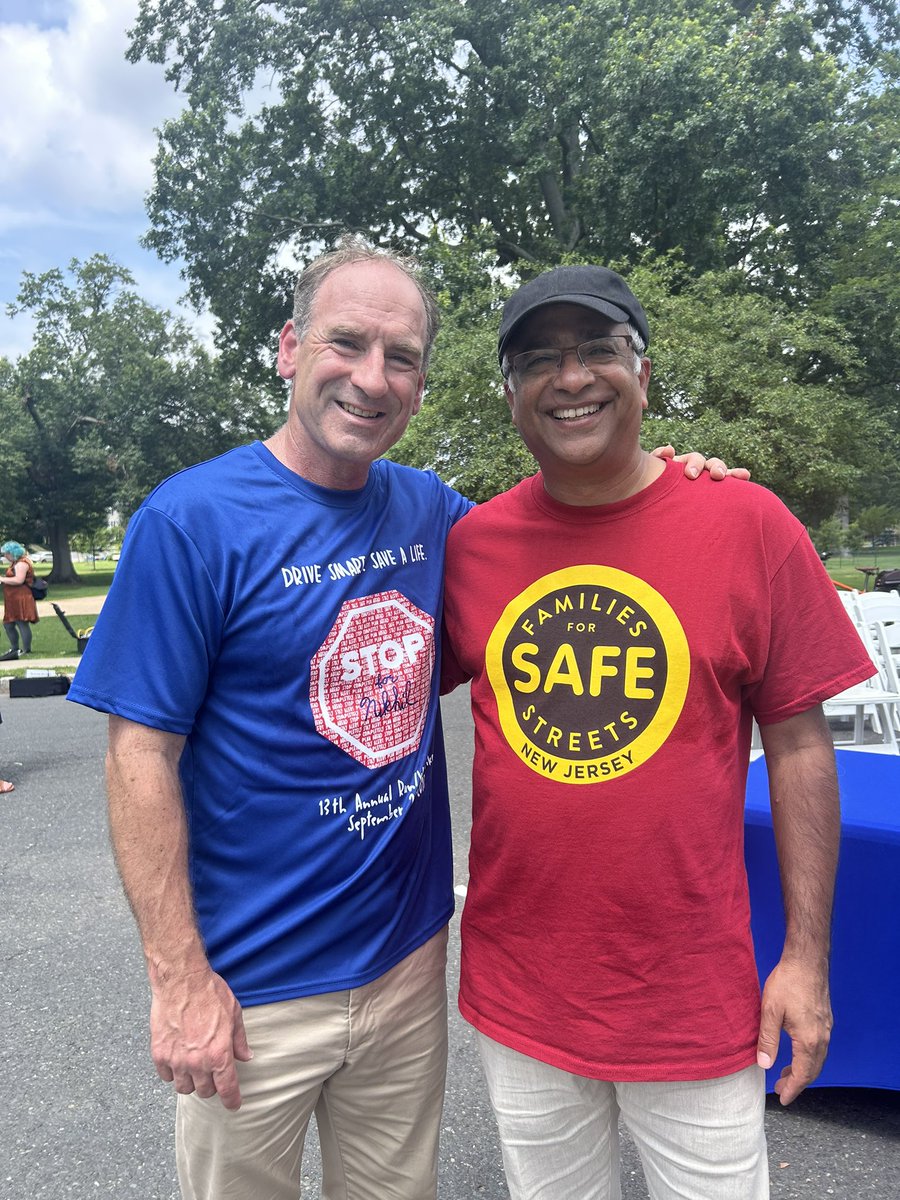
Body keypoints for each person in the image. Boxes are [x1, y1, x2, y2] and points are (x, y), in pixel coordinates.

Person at [67, 238, 737, 1200]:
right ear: (291, 347)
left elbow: (569, 536)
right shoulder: (191, 522)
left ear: (424, 383)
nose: (372, 378)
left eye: (403, 357)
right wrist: (178, 982)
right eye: (347, 343)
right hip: (251, 986)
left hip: (406, 963)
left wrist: (671, 476)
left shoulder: (436, 517)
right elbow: (138, 755)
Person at [441, 265, 876, 1200]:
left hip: (689, 996)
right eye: (539, 359)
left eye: (599, 350)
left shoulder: (747, 521)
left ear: (643, 371)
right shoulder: (472, 546)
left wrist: (806, 961)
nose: (571, 378)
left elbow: (801, 748)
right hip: (521, 991)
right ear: (510, 391)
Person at [1, 541, 39, 661]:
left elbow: (19, 580)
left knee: (21, 622)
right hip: (13, 598)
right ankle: (14, 648)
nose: (5, 556)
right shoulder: (15, 563)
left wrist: (2, 579)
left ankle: (26, 649)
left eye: (6, 553)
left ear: (13, 553)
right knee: (8, 624)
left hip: (21, 597)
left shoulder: (22, 563)